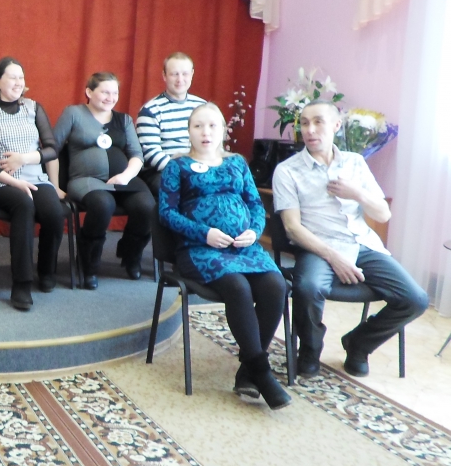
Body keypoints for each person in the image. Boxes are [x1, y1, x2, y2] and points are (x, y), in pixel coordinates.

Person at [272, 100, 428, 378]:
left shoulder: (355, 162)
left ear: (336, 125)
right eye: (304, 123)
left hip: (362, 244)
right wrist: (334, 257)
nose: (310, 129)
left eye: (318, 122)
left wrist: (356, 193)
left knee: (415, 299)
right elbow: (293, 228)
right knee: (308, 287)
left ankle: (358, 344)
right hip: (317, 247)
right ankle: (308, 351)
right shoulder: (287, 170)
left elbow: (383, 214)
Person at [159, 104, 291, 409]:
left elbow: (255, 204)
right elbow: (166, 213)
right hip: (199, 248)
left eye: (212, 126)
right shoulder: (177, 167)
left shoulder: (237, 163)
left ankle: (248, 370)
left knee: (276, 286)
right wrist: (203, 233)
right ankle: (261, 372)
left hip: (244, 247)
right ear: (189, 131)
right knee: (237, 287)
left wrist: (255, 231)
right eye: (198, 126)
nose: (205, 132)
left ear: (223, 131)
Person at [0, 57, 66, 310]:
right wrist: (11, 180)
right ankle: (22, 284)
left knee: (54, 213)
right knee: (24, 205)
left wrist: (23, 159)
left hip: (35, 177)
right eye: (12, 77)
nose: (18, 82)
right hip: (0, 182)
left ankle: (46, 270)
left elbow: (52, 149)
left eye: (21, 77)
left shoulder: (33, 108)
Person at [49, 72, 155, 288]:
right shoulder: (73, 113)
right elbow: (52, 150)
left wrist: (126, 176)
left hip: (123, 179)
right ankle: (88, 264)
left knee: (147, 207)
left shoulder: (124, 120)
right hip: (86, 180)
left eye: (115, 93)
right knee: (103, 205)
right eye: (105, 92)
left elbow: (137, 155)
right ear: (89, 92)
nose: (111, 97)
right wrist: (54, 185)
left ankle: (130, 254)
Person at [136, 52, 207, 197]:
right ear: (164, 76)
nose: (180, 79)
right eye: (174, 74)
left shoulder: (203, 107)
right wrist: (183, 170)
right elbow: (151, 153)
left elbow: (213, 144)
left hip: (200, 167)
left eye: (185, 74)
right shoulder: (150, 110)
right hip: (162, 171)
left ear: (192, 74)